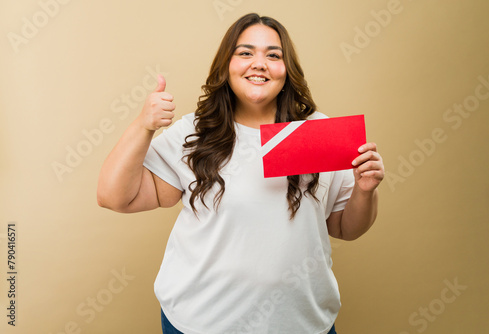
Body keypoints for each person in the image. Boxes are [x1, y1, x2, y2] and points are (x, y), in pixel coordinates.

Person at [97, 13, 384, 334]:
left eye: (273, 55)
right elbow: (113, 197)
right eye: (245, 53)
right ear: (226, 66)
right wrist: (144, 124)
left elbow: (346, 228)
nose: (259, 63)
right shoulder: (196, 131)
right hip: (200, 324)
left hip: (301, 324)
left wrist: (365, 189)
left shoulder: (318, 131)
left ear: (286, 70)